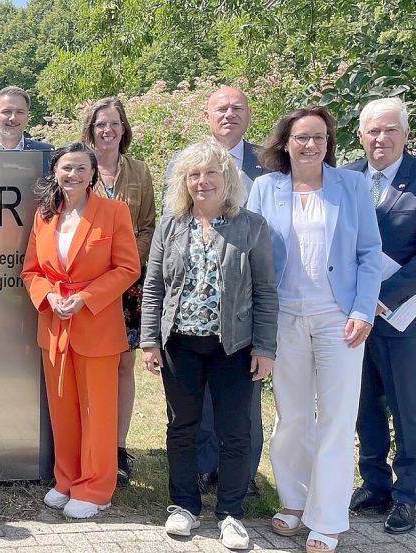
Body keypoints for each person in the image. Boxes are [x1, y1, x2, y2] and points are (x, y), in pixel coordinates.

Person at [247, 105, 382, 553]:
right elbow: (251, 254)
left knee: (337, 419)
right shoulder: (266, 188)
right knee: (293, 417)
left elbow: (369, 252)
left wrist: (362, 311)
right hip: (284, 317)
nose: (311, 145)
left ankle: (327, 518)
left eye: (320, 138)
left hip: (338, 319)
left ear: (330, 143)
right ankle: (294, 502)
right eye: (302, 137)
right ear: (286, 142)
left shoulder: (352, 185)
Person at [141, 139, 278, 550]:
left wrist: (265, 347)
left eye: (211, 173)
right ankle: (183, 506)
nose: (202, 181)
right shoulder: (170, 225)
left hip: (233, 347)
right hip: (180, 344)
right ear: (185, 182)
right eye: (194, 174)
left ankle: (230, 514)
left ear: (227, 178)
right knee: (181, 428)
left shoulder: (250, 225)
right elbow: (154, 288)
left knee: (234, 431)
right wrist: (149, 340)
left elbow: (267, 292)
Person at [20, 142, 140, 519]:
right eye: (66, 168)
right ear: (55, 172)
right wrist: (49, 296)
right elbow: (31, 270)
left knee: (98, 411)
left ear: (92, 175)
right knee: (63, 409)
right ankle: (67, 479)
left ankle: (96, 487)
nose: (73, 175)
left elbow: (127, 268)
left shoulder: (114, 211)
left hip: (97, 324)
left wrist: (86, 297)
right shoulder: (45, 215)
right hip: (54, 325)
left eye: (81, 169)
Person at [164, 86, 270, 496]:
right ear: (207, 116)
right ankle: (206, 467)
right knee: (197, 400)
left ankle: (242, 477)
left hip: (248, 295)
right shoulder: (184, 160)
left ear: (249, 114)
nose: (229, 115)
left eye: (237, 108)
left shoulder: (270, 163)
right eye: (220, 109)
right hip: (195, 308)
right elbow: (173, 225)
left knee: (244, 400)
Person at [344, 97, 416, 534]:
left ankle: (408, 495)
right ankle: (374, 483)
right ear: (360, 135)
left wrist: (380, 295)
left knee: (407, 408)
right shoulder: (345, 178)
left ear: (406, 135)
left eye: (390, 130)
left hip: (403, 317)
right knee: (363, 402)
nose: (381, 138)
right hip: (353, 315)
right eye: (373, 130)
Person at [80, 97, 155, 485]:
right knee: (90, 366)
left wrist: (125, 267)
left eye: (114, 123)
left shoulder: (140, 173)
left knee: (123, 365)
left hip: (127, 287)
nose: (107, 130)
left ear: (124, 129)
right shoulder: (77, 168)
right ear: (89, 131)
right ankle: (88, 444)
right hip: (84, 286)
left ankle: (118, 448)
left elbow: (147, 227)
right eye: (99, 125)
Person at [0, 86, 53, 151]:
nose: (13, 118)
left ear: (27, 118)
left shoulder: (46, 153)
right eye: (7, 111)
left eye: (19, 112)